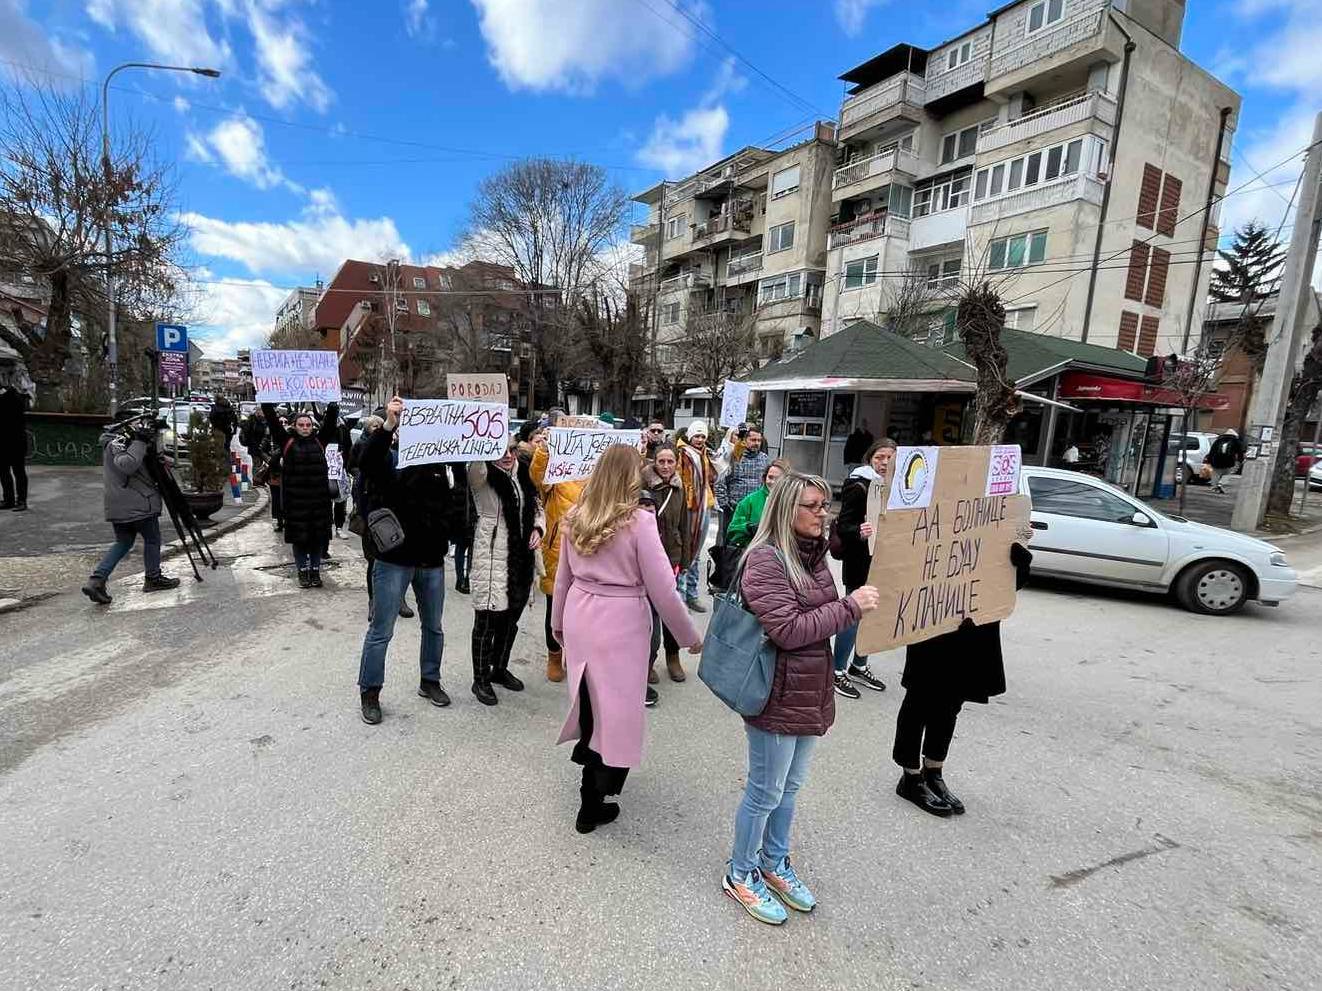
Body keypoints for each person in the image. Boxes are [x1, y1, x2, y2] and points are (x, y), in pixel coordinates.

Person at [722, 471, 880, 925]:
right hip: (774, 691)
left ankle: (774, 863)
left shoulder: (812, 555)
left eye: (823, 505)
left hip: (809, 689)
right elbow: (788, 630)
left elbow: (817, 613)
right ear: (786, 510)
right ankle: (740, 872)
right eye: (811, 506)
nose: (821, 513)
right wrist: (849, 608)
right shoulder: (766, 560)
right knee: (765, 790)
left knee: (789, 788)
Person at [551, 445, 702, 834]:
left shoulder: (576, 516)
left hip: (581, 614)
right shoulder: (638, 522)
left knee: (590, 704)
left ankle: (593, 784)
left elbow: (563, 579)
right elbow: (664, 589)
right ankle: (593, 800)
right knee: (615, 713)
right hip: (621, 623)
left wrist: (558, 625)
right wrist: (687, 635)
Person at [893, 542, 1032, 817]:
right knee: (920, 698)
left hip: (974, 627)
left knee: (952, 700)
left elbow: (1005, 587)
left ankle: (934, 769)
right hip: (931, 620)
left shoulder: (995, 516)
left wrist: (1019, 564)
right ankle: (909, 776)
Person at [356, 396, 467, 725]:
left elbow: (458, 496)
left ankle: (429, 681)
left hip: (431, 559)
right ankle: (370, 691)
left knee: (434, 627)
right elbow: (367, 462)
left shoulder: (444, 467)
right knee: (381, 630)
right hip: (394, 559)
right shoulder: (390, 459)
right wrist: (389, 424)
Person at [466, 440, 544, 706]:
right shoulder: (483, 475)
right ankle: (480, 679)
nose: (507, 455)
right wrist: (482, 444)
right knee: (487, 620)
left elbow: (536, 505)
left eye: (511, 450)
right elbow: (476, 471)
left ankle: (499, 668)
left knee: (510, 619)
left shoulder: (522, 474)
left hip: (520, 557)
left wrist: (537, 528)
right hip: (492, 557)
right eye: (499, 450)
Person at [80, 416, 181, 604]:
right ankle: (153, 577)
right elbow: (127, 464)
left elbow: (151, 461)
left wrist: (155, 450)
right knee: (152, 539)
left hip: (119, 503)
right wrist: (140, 441)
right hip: (138, 502)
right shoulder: (119, 442)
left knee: (124, 542)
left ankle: (97, 580)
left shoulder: (119, 441)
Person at [831, 439, 896, 699]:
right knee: (854, 615)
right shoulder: (858, 485)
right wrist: (859, 530)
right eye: (880, 457)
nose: (884, 463)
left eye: (890, 458)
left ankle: (859, 666)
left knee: (874, 616)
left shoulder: (898, 488)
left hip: (884, 561)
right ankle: (837, 671)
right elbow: (843, 526)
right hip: (859, 561)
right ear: (871, 458)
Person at [531, 417, 585, 683]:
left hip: (587, 550)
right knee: (555, 607)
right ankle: (554, 655)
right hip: (557, 549)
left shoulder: (592, 470)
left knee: (584, 611)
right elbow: (537, 476)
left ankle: (577, 656)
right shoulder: (556, 470)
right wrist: (545, 449)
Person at [262, 403, 338, 587]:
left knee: (317, 540)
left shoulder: (320, 442)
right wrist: (265, 403)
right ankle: (302, 571)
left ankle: (315, 570)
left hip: (319, 502)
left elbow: (330, 422)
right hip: (295, 503)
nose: (305, 428)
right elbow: (272, 421)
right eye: (301, 425)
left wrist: (333, 404)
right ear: (294, 427)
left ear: (313, 427)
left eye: (308, 425)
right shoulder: (287, 442)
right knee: (300, 541)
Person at [350, 415, 413, 620]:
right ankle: (373, 601)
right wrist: (365, 516)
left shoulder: (403, 458)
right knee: (374, 563)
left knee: (402, 563)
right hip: (376, 522)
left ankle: (400, 599)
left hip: (400, 521)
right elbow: (359, 488)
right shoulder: (373, 458)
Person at [642, 442, 692, 686]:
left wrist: (685, 559)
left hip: (672, 557)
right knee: (649, 615)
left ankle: (673, 656)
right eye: (661, 461)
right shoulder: (642, 486)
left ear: (676, 463)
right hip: (648, 560)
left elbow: (685, 524)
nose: (665, 466)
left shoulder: (680, 488)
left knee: (672, 611)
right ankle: (648, 660)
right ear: (654, 461)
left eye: (670, 461)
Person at [676, 420, 717, 611]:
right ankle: (681, 596)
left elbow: (719, 469)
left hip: (705, 506)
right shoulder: (682, 454)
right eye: (697, 436)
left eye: (703, 436)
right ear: (690, 436)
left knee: (697, 551)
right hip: (689, 507)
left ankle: (692, 594)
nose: (700, 439)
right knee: (687, 550)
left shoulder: (706, 454)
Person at [716, 426, 770, 543]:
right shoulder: (733, 457)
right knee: (728, 542)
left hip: (754, 509)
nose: (756, 443)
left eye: (759, 440)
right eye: (753, 440)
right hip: (733, 508)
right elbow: (719, 481)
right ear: (745, 440)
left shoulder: (764, 459)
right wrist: (725, 504)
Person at [725, 459, 789, 548]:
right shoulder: (749, 501)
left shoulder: (793, 502)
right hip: (754, 552)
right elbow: (733, 530)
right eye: (770, 477)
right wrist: (748, 528)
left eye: (778, 479)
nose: (773, 482)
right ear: (764, 477)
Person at [0, 380, 29, 511]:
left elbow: (19, 413)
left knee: (18, 471)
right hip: (4, 441)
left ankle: (21, 501)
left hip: (16, 441)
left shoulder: (14, 397)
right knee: (4, 471)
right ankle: (9, 499)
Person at [1207, 429, 1243, 494]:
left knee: (1216, 474)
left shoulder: (1218, 441)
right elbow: (1240, 452)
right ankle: (1221, 484)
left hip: (1216, 460)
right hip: (1228, 461)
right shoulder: (1236, 441)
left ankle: (1214, 487)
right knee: (1227, 474)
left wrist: (1209, 460)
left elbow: (1212, 451)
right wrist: (1240, 461)